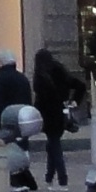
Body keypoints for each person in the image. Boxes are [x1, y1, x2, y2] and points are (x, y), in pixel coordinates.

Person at [31, 48, 84, 184]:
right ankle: (50, 175)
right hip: (59, 111)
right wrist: (74, 101)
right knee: (52, 143)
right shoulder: (60, 71)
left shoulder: (41, 75)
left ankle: (61, 176)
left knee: (54, 144)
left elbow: (41, 98)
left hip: (47, 113)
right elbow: (80, 85)